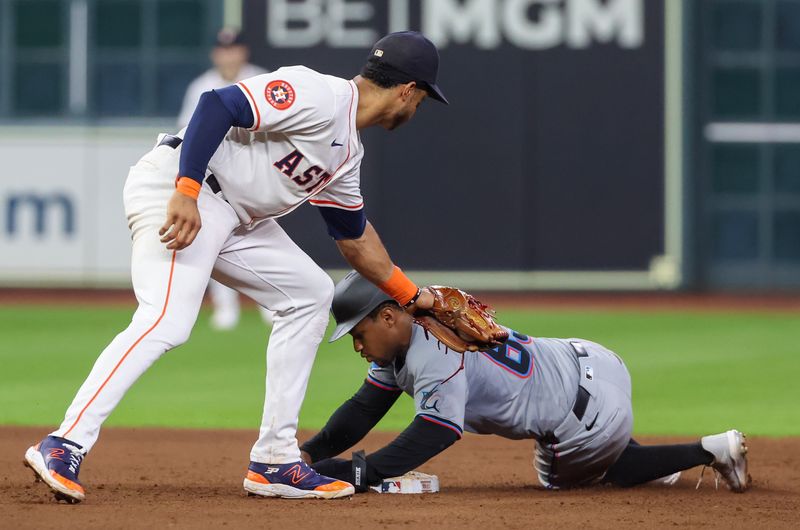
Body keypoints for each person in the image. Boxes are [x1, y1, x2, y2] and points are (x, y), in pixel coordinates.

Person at [24, 31, 448, 503]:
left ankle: (275, 461)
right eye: (423, 98)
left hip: (236, 220)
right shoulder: (320, 94)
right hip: (184, 186)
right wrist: (185, 190)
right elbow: (216, 105)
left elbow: (355, 241)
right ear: (409, 90)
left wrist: (413, 296)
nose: (417, 109)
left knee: (309, 293)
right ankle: (65, 441)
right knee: (167, 319)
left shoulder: (347, 153)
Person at [300, 271, 751, 494]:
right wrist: (306, 455)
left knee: (565, 481)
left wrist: (364, 473)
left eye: (359, 334)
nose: (357, 345)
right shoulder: (419, 316)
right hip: (590, 359)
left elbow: (438, 429)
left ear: (387, 315)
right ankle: (629, 450)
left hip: (587, 416)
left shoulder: (434, 355)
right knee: (574, 429)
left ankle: (707, 451)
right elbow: (363, 408)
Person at [177, 27, 272, 330]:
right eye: (223, 49)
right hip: (215, 175)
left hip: (253, 172)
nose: (228, 54)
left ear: (243, 51)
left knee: (265, 240)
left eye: (233, 49)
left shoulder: (262, 79)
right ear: (215, 53)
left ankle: (271, 304)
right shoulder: (200, 86)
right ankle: (225, 308)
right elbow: (186, 134)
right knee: (214, 242)